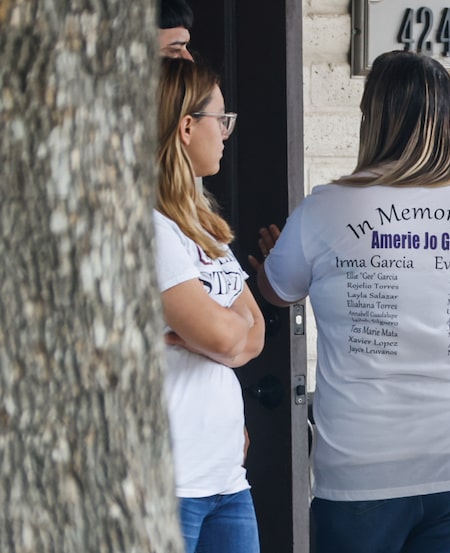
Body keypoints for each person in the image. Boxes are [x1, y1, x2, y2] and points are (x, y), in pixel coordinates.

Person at [251, 50, 450, 553]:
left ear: (372, 119)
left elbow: (278, 289)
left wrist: (277, 259)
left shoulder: (325, 209)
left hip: (363, 463)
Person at [154, 57, 264, 553]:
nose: (225, 132)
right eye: (221, 119)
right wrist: (222, 333)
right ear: (185, 126)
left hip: (225, 480)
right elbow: (228, 335)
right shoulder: (147, 228)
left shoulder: (204, 226)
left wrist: (213, 333)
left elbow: (253, 331)